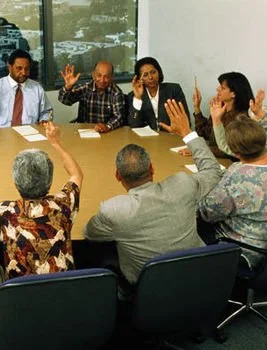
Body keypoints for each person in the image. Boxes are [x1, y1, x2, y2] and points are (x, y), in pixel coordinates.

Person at [83, 99, 223, 292]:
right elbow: (213, 171)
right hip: (195, 275)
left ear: (117, 176)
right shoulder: (183, 184)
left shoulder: (113, 210)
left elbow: (89, 233)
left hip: (148, 289)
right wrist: (187, 133)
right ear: (152, 168)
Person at [197, 90, 267, 269]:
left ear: (236, 152)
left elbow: (206, 213)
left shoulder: (237, 178)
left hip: (245, 249)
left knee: (187, 224)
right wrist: (260, 114)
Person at [0, 121, 83, 280]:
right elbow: (76, 174)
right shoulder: (63, 204)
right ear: (50, 182)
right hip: (65, 292)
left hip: (19, 298)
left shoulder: (4, 210)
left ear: (16, 182)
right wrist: (55, 142)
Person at [0, 50, 53, 128]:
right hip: (3, 134)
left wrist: (44, 120)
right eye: (19, 68)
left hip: (31, 133)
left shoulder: (37, 88)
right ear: (10, 67)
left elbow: (46, 111)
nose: (24, 72)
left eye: (27, 68)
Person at [192, 72, 254, 157]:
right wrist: (197, 107)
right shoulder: (220, 110)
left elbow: (233, 151)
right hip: (213, 159)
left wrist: (201, 150)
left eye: (222, 88)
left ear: (233, 93)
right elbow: (205, 133)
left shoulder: (243, 118)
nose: (217, 89)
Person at [58, 61, 125, 133]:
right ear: (93, 75)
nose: (102, 80)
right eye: (99, 75)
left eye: (106, 76)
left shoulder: (116, 92)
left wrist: (107, 126)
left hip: (107, 133)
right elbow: (65, 100)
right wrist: (68, 87)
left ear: (111, 77)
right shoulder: (86, 88)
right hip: (85, 131)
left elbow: (119, 117)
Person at [127, 57, 190, 130]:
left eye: (153, 72)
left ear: (159, 72)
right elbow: (134, 125)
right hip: (147, 139)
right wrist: (138, 98)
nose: (150, 77)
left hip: (171, 136)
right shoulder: (133, 96)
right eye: (145, 75)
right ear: (139, 79)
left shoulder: (173, 90)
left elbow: (185, 120)